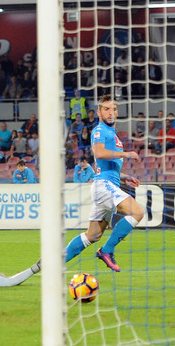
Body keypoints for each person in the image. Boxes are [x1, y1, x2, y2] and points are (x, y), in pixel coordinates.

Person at [65, 94, 144, 272]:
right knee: (137, 212)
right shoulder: (100, 131)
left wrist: (123, 176)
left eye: (114, 109)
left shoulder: (112, 135)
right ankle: (107, 251)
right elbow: (99, 153)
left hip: (107, 184)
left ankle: (56, 263)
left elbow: (103, 165)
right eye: (106, 109)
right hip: (103, 186)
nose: (111, 112)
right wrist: (126, 154)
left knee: (93, 235)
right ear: (99, 112)